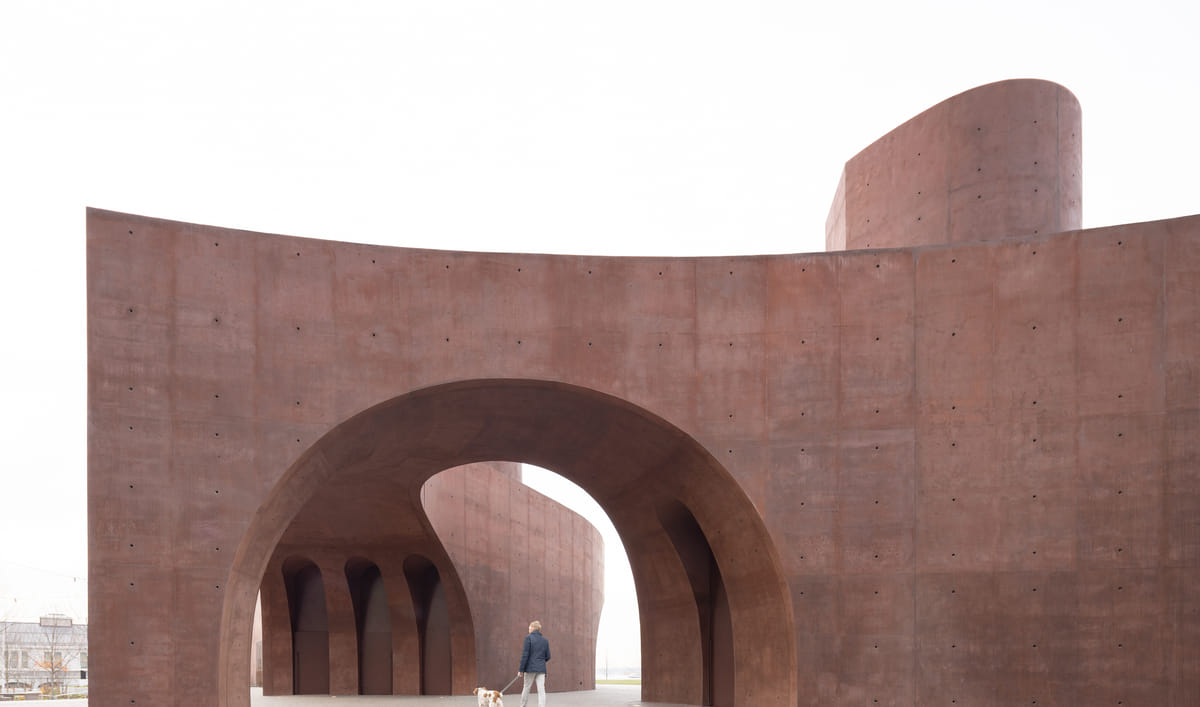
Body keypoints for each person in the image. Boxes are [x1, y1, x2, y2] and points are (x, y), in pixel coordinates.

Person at [517, 620, 550, 707]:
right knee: (541, 690)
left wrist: (521, 670)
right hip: (541, 669)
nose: (528, 629)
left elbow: (525, 655)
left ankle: (523, 706)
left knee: (526, 688)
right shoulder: (545, 641)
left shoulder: (528, 638)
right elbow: (548, 656)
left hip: (530, 668)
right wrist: (540, 662)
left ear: (533, 628)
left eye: (529, 627)